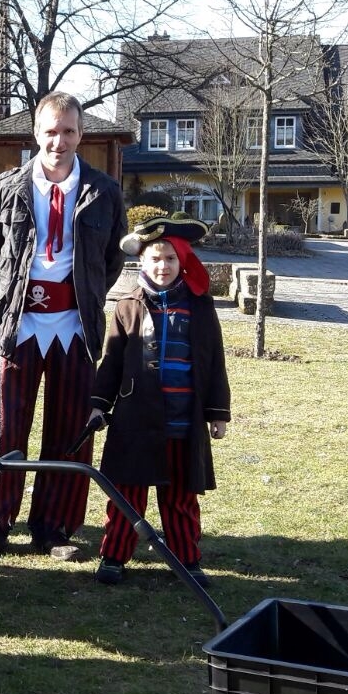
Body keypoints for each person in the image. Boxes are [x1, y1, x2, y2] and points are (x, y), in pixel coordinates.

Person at [0, 92, 124, 564]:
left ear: (81, 134)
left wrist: (80, 297)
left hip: (74, 326)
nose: (59, 141)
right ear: (36, 133)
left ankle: (54, 528)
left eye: (69, 131)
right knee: (4, 430)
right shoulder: (6, 188)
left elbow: (110, 261)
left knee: (71, 432)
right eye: (51, 131)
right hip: (19, 324)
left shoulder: (104, 191)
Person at [89, 217, 230, 588]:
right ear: (143, 262)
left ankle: (187, 559)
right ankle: (114, 555)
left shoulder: (200, 306)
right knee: (127, 495)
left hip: (184, 421)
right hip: (135, 421)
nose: (162, 266)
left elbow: (214, 359)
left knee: (181, 496)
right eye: (155, 258)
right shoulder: (126, 306)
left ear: (181, 261)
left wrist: (217, 412)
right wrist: (98, 404)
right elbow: (113, 360)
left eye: (169, 258)